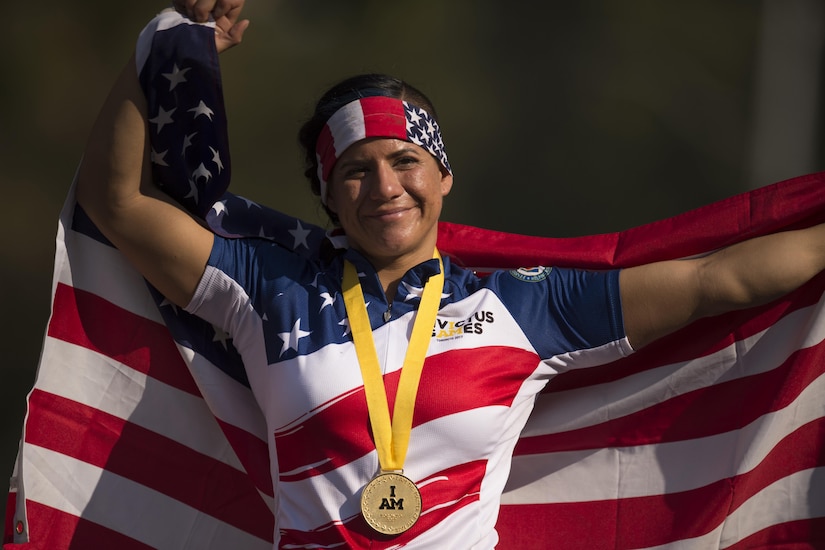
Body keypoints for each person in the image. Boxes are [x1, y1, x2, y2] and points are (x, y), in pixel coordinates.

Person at [74, 0, 825, 547]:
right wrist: (163, 51)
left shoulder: (525, 308)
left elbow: (714, 282)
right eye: (357, 173)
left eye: (406, 163)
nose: (385, 187)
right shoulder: (265, 288)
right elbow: (115, 202)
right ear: (330, 195)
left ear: (444, 178)